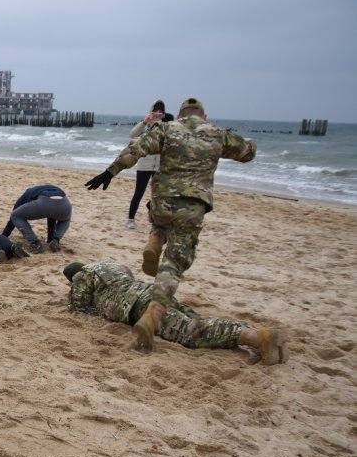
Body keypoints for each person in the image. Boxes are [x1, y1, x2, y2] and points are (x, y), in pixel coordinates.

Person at [84, 97, 257, 349]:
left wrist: (109, 172)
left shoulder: (166, 128)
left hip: (162, 202)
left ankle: (155, 239)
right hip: (193, 205)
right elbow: (247, 153)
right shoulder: (218, 134)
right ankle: (153, 314)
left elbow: (135, 149)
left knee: (159, 217)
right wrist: (244, 143)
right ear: (203, 117)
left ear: (179, 116)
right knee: (174, 263)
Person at [63, 261, 289, 365]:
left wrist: (73, 294)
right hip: (152, 291)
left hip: (138, 306)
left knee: (188, 332)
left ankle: (257, 337)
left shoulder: (82, 275)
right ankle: (258, 336)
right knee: (194, 319)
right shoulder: (112, 265)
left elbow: (80, 306)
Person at [126, 100, 174, 229]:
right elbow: (132, 135)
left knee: (158, 194)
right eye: (155, 112)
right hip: (144, 165)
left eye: (161, 112)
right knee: (138, 193)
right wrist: (145, 122)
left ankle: (155, 219)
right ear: (151, 112)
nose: (158, 114)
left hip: (159, 165)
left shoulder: (166, 126)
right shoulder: (145, 126)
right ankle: (131, 219)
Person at [1, 184, 72, 253]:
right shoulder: (53, 188)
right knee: (65, 220)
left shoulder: (27, 193)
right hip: (65, 204)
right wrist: (50, 239)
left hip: (44, 203)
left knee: (15, 215)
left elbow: (14, 216)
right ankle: (55, 240)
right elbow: (51, 215)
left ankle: (35, 243)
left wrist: (4, 236)